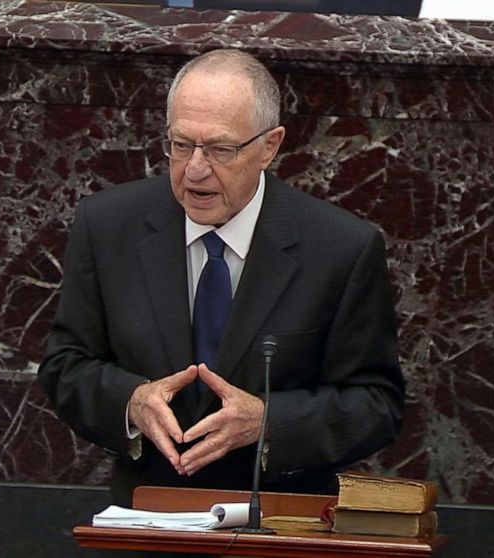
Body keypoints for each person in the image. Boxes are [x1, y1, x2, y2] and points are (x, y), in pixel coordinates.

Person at [39, 49, 404, 507]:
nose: (194, 169)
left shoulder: (340, 248)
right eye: (180, 144)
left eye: (219, 149)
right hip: (149, 519)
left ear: (269, 146)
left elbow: (376, 403)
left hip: (278, 522)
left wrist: (268, 422)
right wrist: (130, 402)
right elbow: (65, 365)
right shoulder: (108, 225)